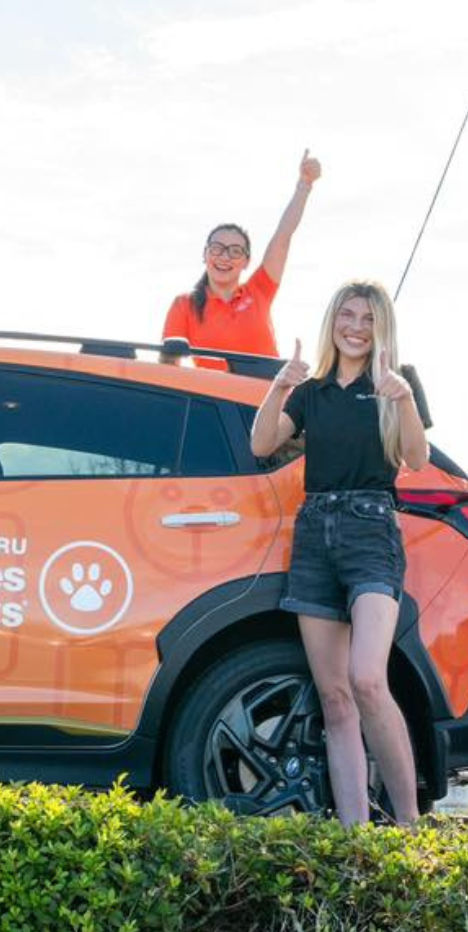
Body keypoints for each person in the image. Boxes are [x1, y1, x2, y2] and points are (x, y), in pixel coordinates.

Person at [248, 279, 431, 825]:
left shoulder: (397, 384)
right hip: (313, 533)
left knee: (368, 679)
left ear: (382, 328)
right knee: (334, 696)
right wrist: (279, 385)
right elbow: (261, 444)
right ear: (333, 321)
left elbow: (416, 459)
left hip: (371, 530)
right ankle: (355, 835)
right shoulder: (312, 390)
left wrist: (402, 400)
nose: (355, 327)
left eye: (368, 318)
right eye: (347, 316)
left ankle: (409, 825)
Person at [162, 151, 321, 363]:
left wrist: (304, 185)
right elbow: (168, 368)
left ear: (246, 261)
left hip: (270, 394)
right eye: (217, 248)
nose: (225, 257)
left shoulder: (259, 291)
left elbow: (283, 236)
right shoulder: (184, 305)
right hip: (214, 397)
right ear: (205, 254)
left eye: (235, 251)